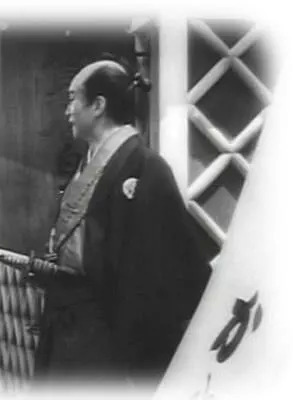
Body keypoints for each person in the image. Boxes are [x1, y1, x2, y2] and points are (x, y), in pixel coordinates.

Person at [32, 59, 211, 393]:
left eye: (73, 99)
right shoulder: (87, 165)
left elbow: (163, 272)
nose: (68, 111)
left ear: (98, 105)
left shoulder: (146, 168)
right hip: (73, 331)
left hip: (110, 341)